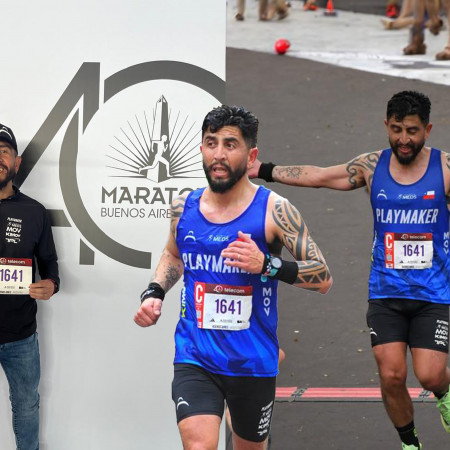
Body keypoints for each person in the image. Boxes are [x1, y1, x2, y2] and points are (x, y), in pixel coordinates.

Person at [250, 91, 450, 450]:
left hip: (433, 293)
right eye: (396, 129)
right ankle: (411, 444)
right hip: (386, 294)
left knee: (431, 373)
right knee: (391, 375)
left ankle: (444, 393)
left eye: (413, 131)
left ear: (428, 130)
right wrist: (264, 170)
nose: (404, 139)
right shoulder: (372, 167)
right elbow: (321, 176)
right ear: (386, 127)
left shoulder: (445, 169)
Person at [134, 105, 332, 449]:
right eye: (211, 143)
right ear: (201, 148)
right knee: (199, 445)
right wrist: (154, 292)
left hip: (251, 361)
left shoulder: (276, 210)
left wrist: (267, 266)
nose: (219, 155)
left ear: (251, 153)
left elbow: (323, 275)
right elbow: (173, 255)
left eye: (230, 144)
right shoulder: (183, 208)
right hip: (196, 356)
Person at [0, 124, 60, 450]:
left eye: (4, 151)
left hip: (20, 335)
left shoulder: (34, 212)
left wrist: (51, 285)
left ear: (17, 161)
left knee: (26, 407)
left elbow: (50, 266)